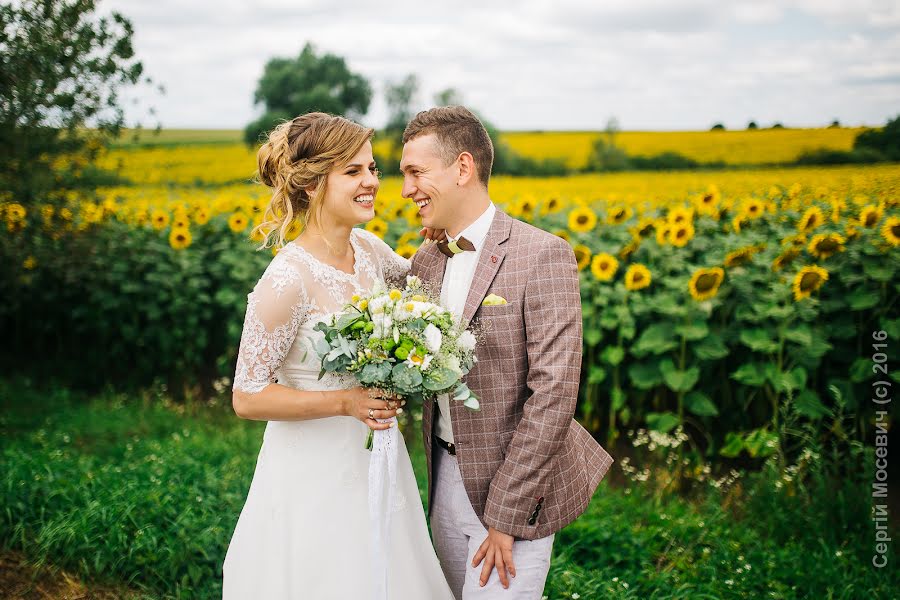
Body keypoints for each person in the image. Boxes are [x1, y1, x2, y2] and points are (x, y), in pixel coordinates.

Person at [223, 112, 454, 599]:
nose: (372, 181)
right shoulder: (287, 279)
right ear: (311, 184)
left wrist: (445, 238)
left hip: (377, 463)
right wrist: (346, 402)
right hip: (312, 476)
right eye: (354, 171)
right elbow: (246, 397)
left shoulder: (369, 250)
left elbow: (419, 298)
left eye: (373, 169)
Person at [401, 106, 614, 599]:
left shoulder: (543, 254)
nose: (406, 189)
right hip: (443, 478)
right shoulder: (427, 259)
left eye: (416, 172)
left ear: (462, 168)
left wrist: (506, 516)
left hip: (515, 484)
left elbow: (554, 393)